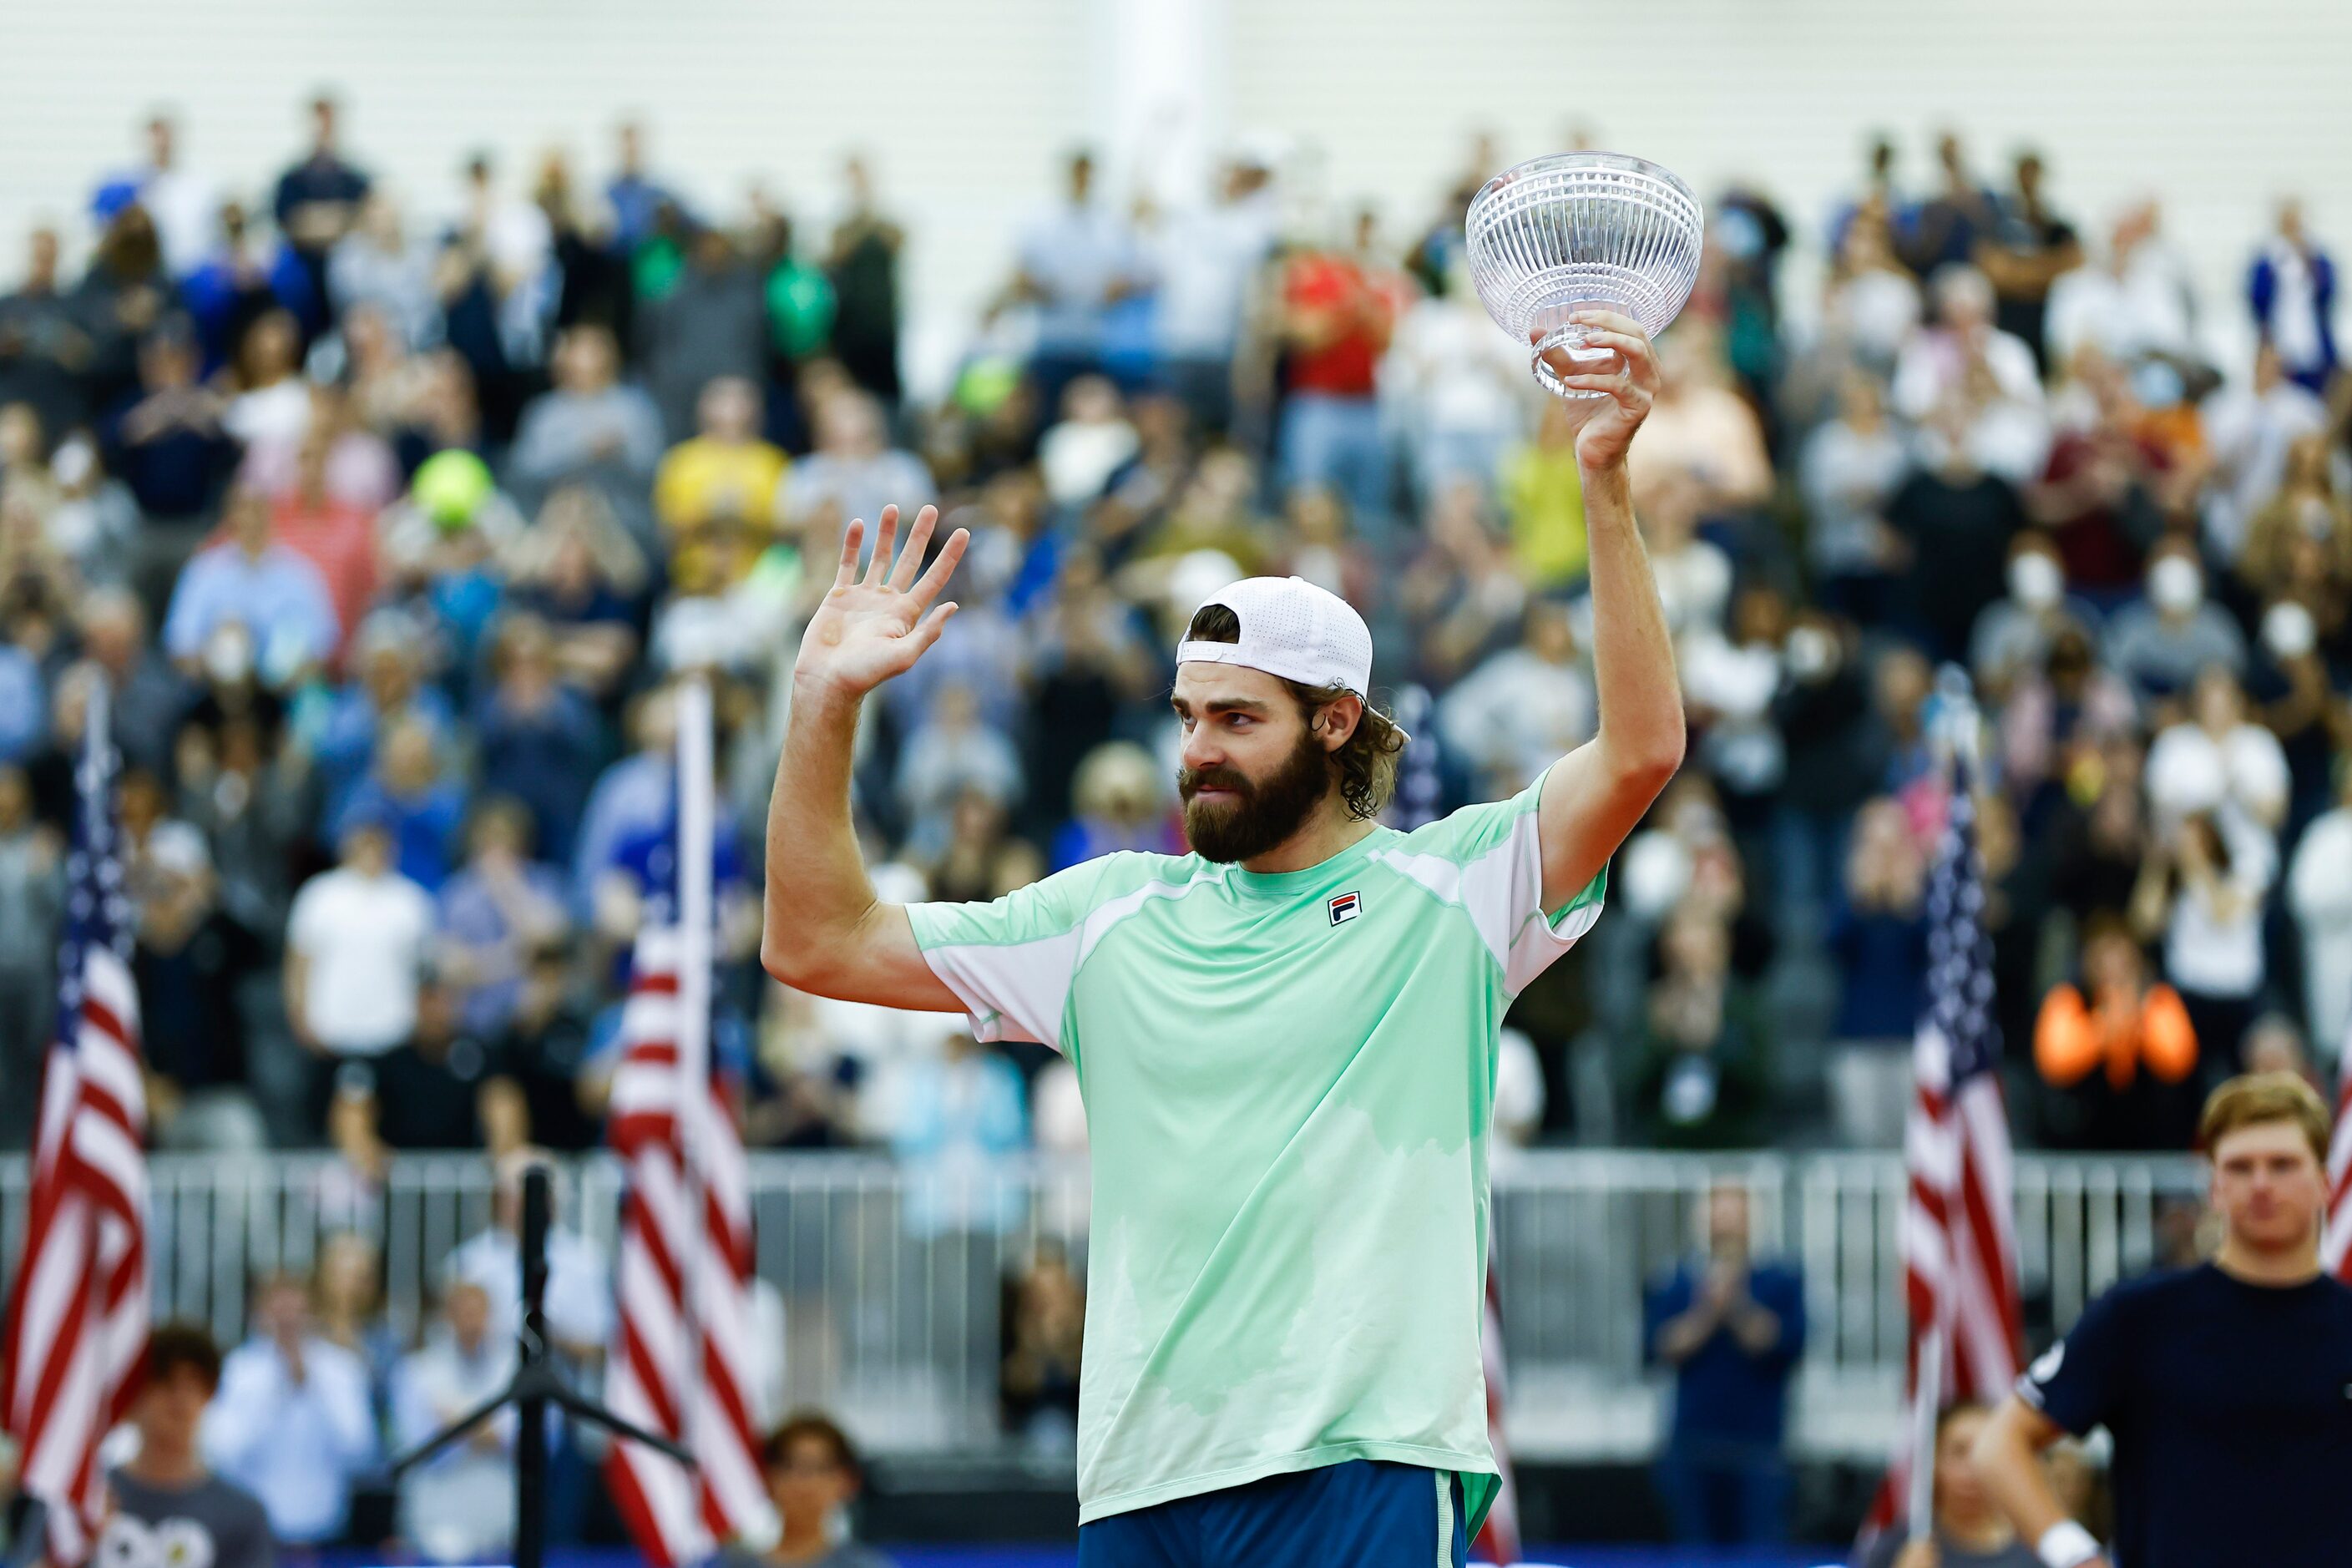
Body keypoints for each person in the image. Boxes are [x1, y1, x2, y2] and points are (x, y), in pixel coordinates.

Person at [761, 310, 1684, 1565]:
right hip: (1140, 1484)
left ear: (1338, 723)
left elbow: (1638, 753)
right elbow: (817, 942)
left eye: (1237, 719)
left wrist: (1603, 483)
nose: (1195, 749)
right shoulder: (1107, 915)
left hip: (1359, 1466)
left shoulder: (1453, 890)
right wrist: (820, 706)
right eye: (1188, 714)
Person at [1973, 1073, 2352, 1567]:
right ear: (2214, 1187)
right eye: (2240, 1167)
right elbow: (1999, 1444)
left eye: (2282, 1165)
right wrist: (2076, 1556)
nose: (2261, 1185)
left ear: (2325, 1183)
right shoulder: (2140, 1317)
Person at [1642, 1185, 1806, 1547]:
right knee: (1694, 1553)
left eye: (1736, 1217)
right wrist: (1706, 1312)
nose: (1727, 1227)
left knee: (1760, 1553)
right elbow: (1661, 1347)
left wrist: (1736, 1305)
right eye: (1719, 1216)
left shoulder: (1781, 1279)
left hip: (1761, 1450)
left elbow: (1783, 1344)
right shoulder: (1676, 1280)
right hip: (1692, 1447)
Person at [203, 1272, 378, 1547]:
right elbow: (225, 1453)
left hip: (326, 1531)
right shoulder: (239, 1371)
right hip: (255, 1531)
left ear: (313, 1314)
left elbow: (359, 1452)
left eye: (297, 1312)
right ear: (261, 1315)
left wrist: (313, 1384)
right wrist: (276, 1390)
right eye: (279, 1313)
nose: (289, 1322)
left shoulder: (342, 1370)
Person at [97, 1323, 273, 1568]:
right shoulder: (88, 1501)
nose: (180, 1399)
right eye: (164, 1381)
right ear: (133, 1397)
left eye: (195, 1384)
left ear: (210, 1396)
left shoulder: (242, 1514)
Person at [392, 1281, 518, 1565]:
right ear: (447, 1316)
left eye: (478, 1312)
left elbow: (531, 1441)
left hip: (501, 1520)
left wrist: (457, 1425)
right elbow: (416, 1449)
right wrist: (487, 1429)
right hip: (436, 1520)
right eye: (463, 1313)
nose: (471, 1322)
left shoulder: (515, 1370)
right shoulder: (417, 1371)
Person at [1860, 1403, 2038, 1568]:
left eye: (1984, 1451)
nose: (1972, 1468)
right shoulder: (1898, 1548)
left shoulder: (2036, 1549)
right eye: (1959, 1452)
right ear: (1934, 1461)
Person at [714, 1414, 896, 1568]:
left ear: (847, 1481)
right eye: (789, 1466)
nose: (802, 1482)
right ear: (767, 1477)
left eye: (818, 1468)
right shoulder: (731, 1563)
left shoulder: (865, 1565)